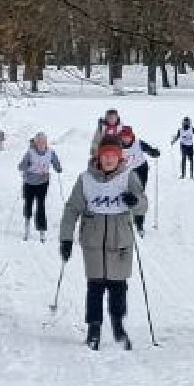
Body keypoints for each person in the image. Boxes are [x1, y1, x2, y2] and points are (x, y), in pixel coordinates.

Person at [60, 136, 148, 350]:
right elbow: (72, 209)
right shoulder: (85, 179)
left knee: (119, 287)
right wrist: (66, 238)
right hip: (93, 241)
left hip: (121, 242)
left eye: (113, 156)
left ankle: (118, 327)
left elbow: (143, 205)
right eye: (105, 155)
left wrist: (134, 203)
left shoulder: (129, 177)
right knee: (95, 287)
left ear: (119, 158)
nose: (109, 159)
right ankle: (94, 328)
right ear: (99, 156)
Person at [18, 132, 63, 241]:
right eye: (39, 142)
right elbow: (20, 166)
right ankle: (27, 225)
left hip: (43, 182)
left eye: (44, 142)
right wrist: (25, 166)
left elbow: (56, 162)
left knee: (41, 205)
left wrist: (58, 168)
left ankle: (41, 229)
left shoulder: (50, 152)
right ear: (35, 143)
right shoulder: (30, 152)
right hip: (29, 182)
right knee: (28, 203)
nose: (42, 144)